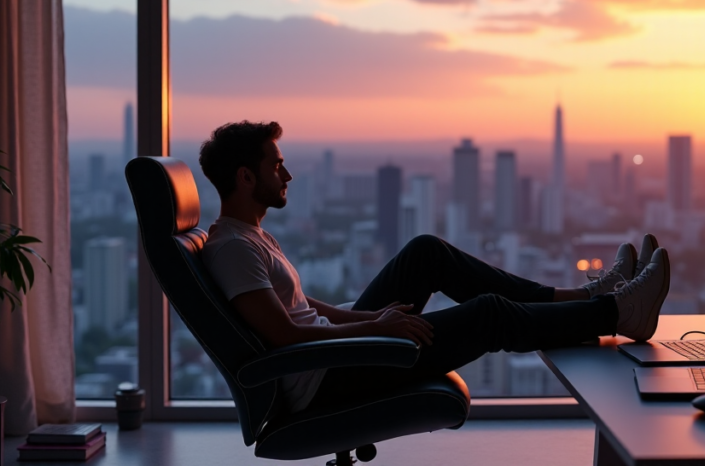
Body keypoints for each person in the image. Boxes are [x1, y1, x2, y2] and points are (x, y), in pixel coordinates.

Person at [199, 121, 671, 414]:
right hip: (327, 376)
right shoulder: (234, 249)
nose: (287, 175)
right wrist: (373, 333)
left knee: (426, 252)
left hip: (338, 352)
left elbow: (301, 309)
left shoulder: (250, 235)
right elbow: (283, 336)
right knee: (489, 314)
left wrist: (372, 320)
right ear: (245, 177)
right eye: (276, 166)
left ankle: (584, 297)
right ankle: (616, 313)